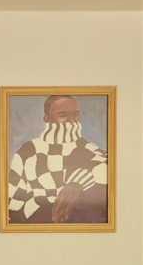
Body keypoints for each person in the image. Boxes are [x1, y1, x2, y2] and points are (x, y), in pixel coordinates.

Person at [7, 95, 108, 224]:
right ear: (47, 119)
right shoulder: (28, 151)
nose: (72, 120)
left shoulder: (88, 148)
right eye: (63, 114)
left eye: (75, 115)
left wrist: (77, 183)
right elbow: (12, 200)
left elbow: (108, 166)